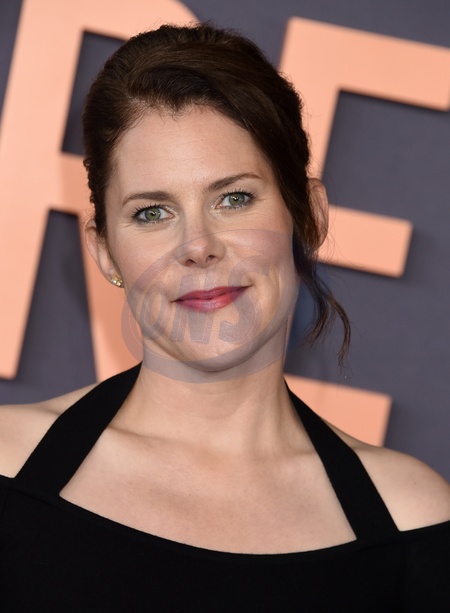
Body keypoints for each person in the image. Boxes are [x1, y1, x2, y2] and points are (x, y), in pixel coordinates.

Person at [0, 23, 449, 611]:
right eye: (152, 212)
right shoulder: (8, 465)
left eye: (234, 199)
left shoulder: (410, 521)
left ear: (309, 217)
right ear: (105, 250)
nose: (198, 246)